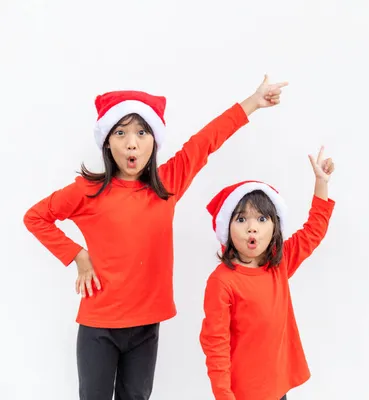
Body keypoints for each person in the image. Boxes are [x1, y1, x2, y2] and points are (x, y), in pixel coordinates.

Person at [22, 75, 288, 400]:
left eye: (141, 132)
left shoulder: (168, 185)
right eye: (120, 133)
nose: (131, 143)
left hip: (146, 327)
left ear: (153, 141)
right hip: (98, 327)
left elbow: (206, 141)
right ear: (107, 141)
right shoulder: (86, 191)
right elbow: (35, 217)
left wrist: (254, 101)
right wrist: (78, 255)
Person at [200, 146, 336, 400]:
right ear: (227, 229)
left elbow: (313, 231)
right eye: (241, 220)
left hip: (277, 389)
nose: (252, 228)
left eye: (262, 219)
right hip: (241, 393)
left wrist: (321, 183)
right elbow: (215, 343)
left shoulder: (279, 264)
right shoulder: (222, 282)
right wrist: (223, 394)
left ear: (274, 227)